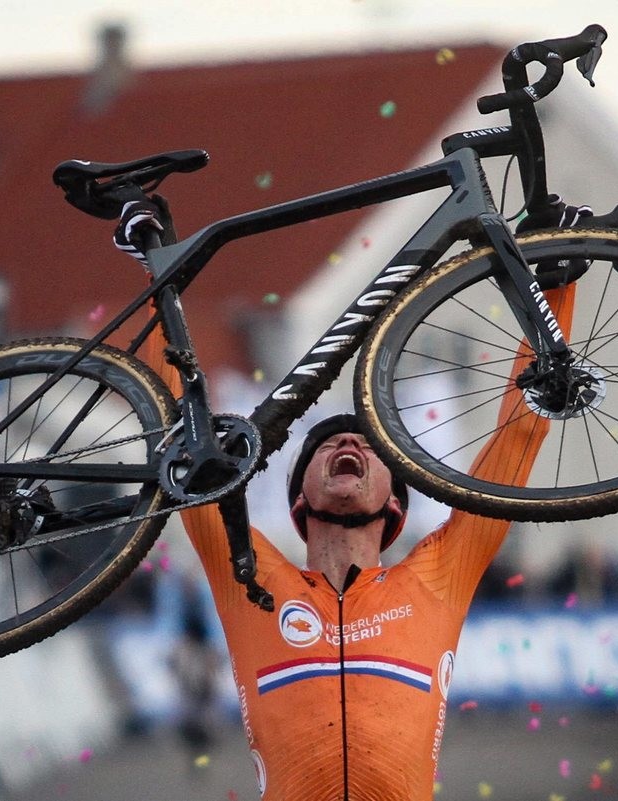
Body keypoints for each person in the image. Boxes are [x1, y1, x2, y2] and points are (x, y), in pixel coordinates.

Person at [118, 199, 575, 801]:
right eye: (327, 445)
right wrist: (160, 269)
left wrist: (553, 287)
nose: (350, 444)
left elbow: (518, 435)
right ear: (299, 500)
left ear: (395, 506)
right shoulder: (248, 578)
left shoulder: (441, 573)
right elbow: (178, 436)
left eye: (366, 446)